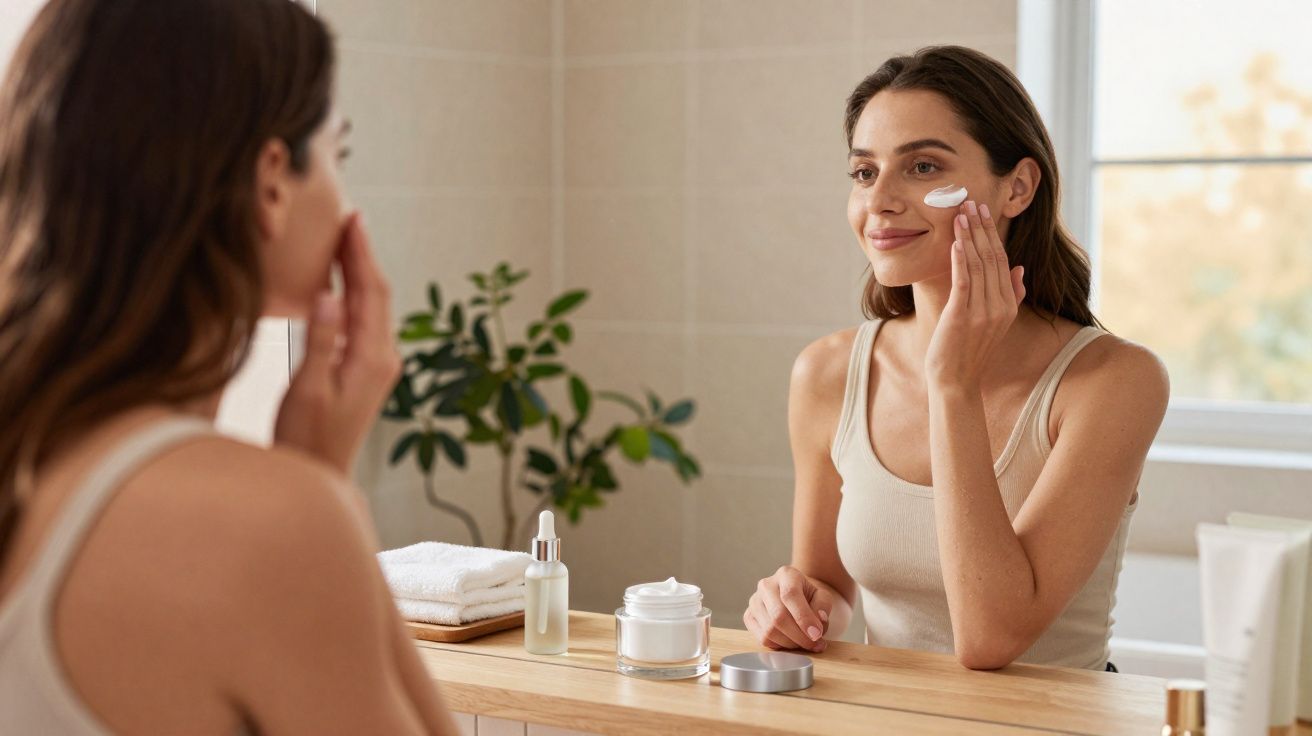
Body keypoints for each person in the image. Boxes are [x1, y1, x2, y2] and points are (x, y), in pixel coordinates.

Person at [0, 0, 458, 732]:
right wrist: (324, 494)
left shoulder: (32, 455)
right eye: (338, 157)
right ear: (271, 182)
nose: (346, 200)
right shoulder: (270, 526)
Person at [744, 46, 1169, 671]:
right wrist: (798, 607)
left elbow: (991, 640)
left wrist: (952, 385)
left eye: (921, 166)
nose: (880, 201)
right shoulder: (828, 373)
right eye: (864, 172)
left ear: (1018, 187)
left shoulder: (1111, 382)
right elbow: (829, 590)